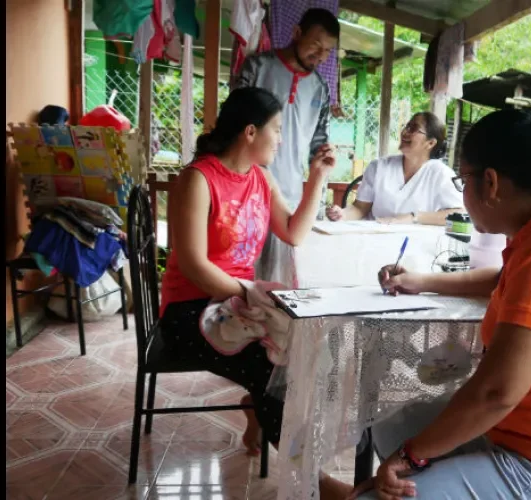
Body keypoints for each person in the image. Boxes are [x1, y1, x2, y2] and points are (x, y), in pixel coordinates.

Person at [352, 108, 531, 499]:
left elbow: (496, 393)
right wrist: (422, 281)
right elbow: (502, 280)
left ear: (491, 182)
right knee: (389, 420)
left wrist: (410, 456)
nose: (463, 192)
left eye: (463, 179)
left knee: (380, 488)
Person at [158, 87, 350, 499]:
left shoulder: (260, 179)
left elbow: (294, 233)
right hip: (189, 311)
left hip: (235, 305)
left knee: (309, 348)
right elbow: (193, 265)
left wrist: (318, 178)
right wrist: (256, 295)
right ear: (250, 132)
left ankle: (260, 410)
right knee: (269, 369)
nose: (280, 140)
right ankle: (315, 480)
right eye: (276, 130)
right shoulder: (198, 179)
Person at [233, 8, 340, 284]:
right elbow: (233, 128)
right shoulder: (256, 68)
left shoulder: (320, 88)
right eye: (315, 46)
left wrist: (323, 165)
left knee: (280, 289)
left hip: (291, 202)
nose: (320, 56)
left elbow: (318, 143)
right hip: (247, 198)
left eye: (327, 51)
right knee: (243, 285)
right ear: (296, 33)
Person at [325, 112, 464, 225]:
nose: (405, 132)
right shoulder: (379, 166)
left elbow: (460, 213)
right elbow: (360, 208)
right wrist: (342, 214)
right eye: (407, 126)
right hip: (373, 241)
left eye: (414, 129)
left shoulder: (441, 174)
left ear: (430, 143)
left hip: (416, 246)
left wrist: (414, 217)